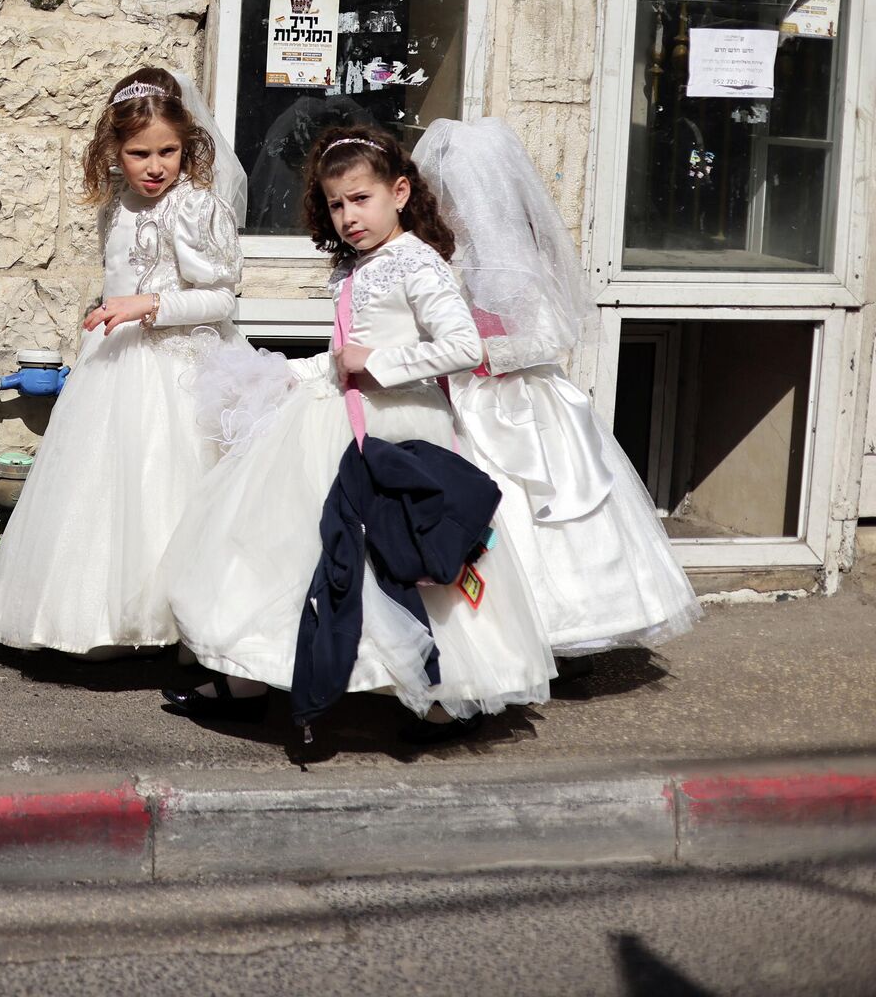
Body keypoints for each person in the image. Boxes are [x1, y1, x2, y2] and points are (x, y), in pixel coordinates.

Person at [161, 126, 555, 735]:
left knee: (398, 551)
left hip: (396, 429)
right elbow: (344, 351)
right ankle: (250, 673)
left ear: (399, 193)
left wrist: (379, 364)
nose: (348, 216)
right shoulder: (353, 266)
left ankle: (440, 682)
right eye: (336, 204)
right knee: (297, 545)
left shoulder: (417, 263)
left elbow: (461, 345)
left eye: (361, 199)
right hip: (340, 420)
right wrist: (294, 373)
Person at [0, 67, 259, 656]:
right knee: (104, 494)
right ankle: (100, 620)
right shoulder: (118, 206)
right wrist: (113, 309)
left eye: (168, 152)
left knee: (174, 488)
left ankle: (188, 627)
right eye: (139, 154)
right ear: (114, 150)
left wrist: (147, 304)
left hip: (182, 369)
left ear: (188, 144)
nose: (155, 167)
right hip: (116, 367)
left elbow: (223, 296)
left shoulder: (195, 208)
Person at [415, 117, 701, 659]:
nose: (446, 207)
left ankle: (555, 631)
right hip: (469, 401)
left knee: (542, 511)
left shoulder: (516, 262)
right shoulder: (458, 259)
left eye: (452, 197)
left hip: (522, 408)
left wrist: (478, 355)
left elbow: (549, 335)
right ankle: (489, 631)